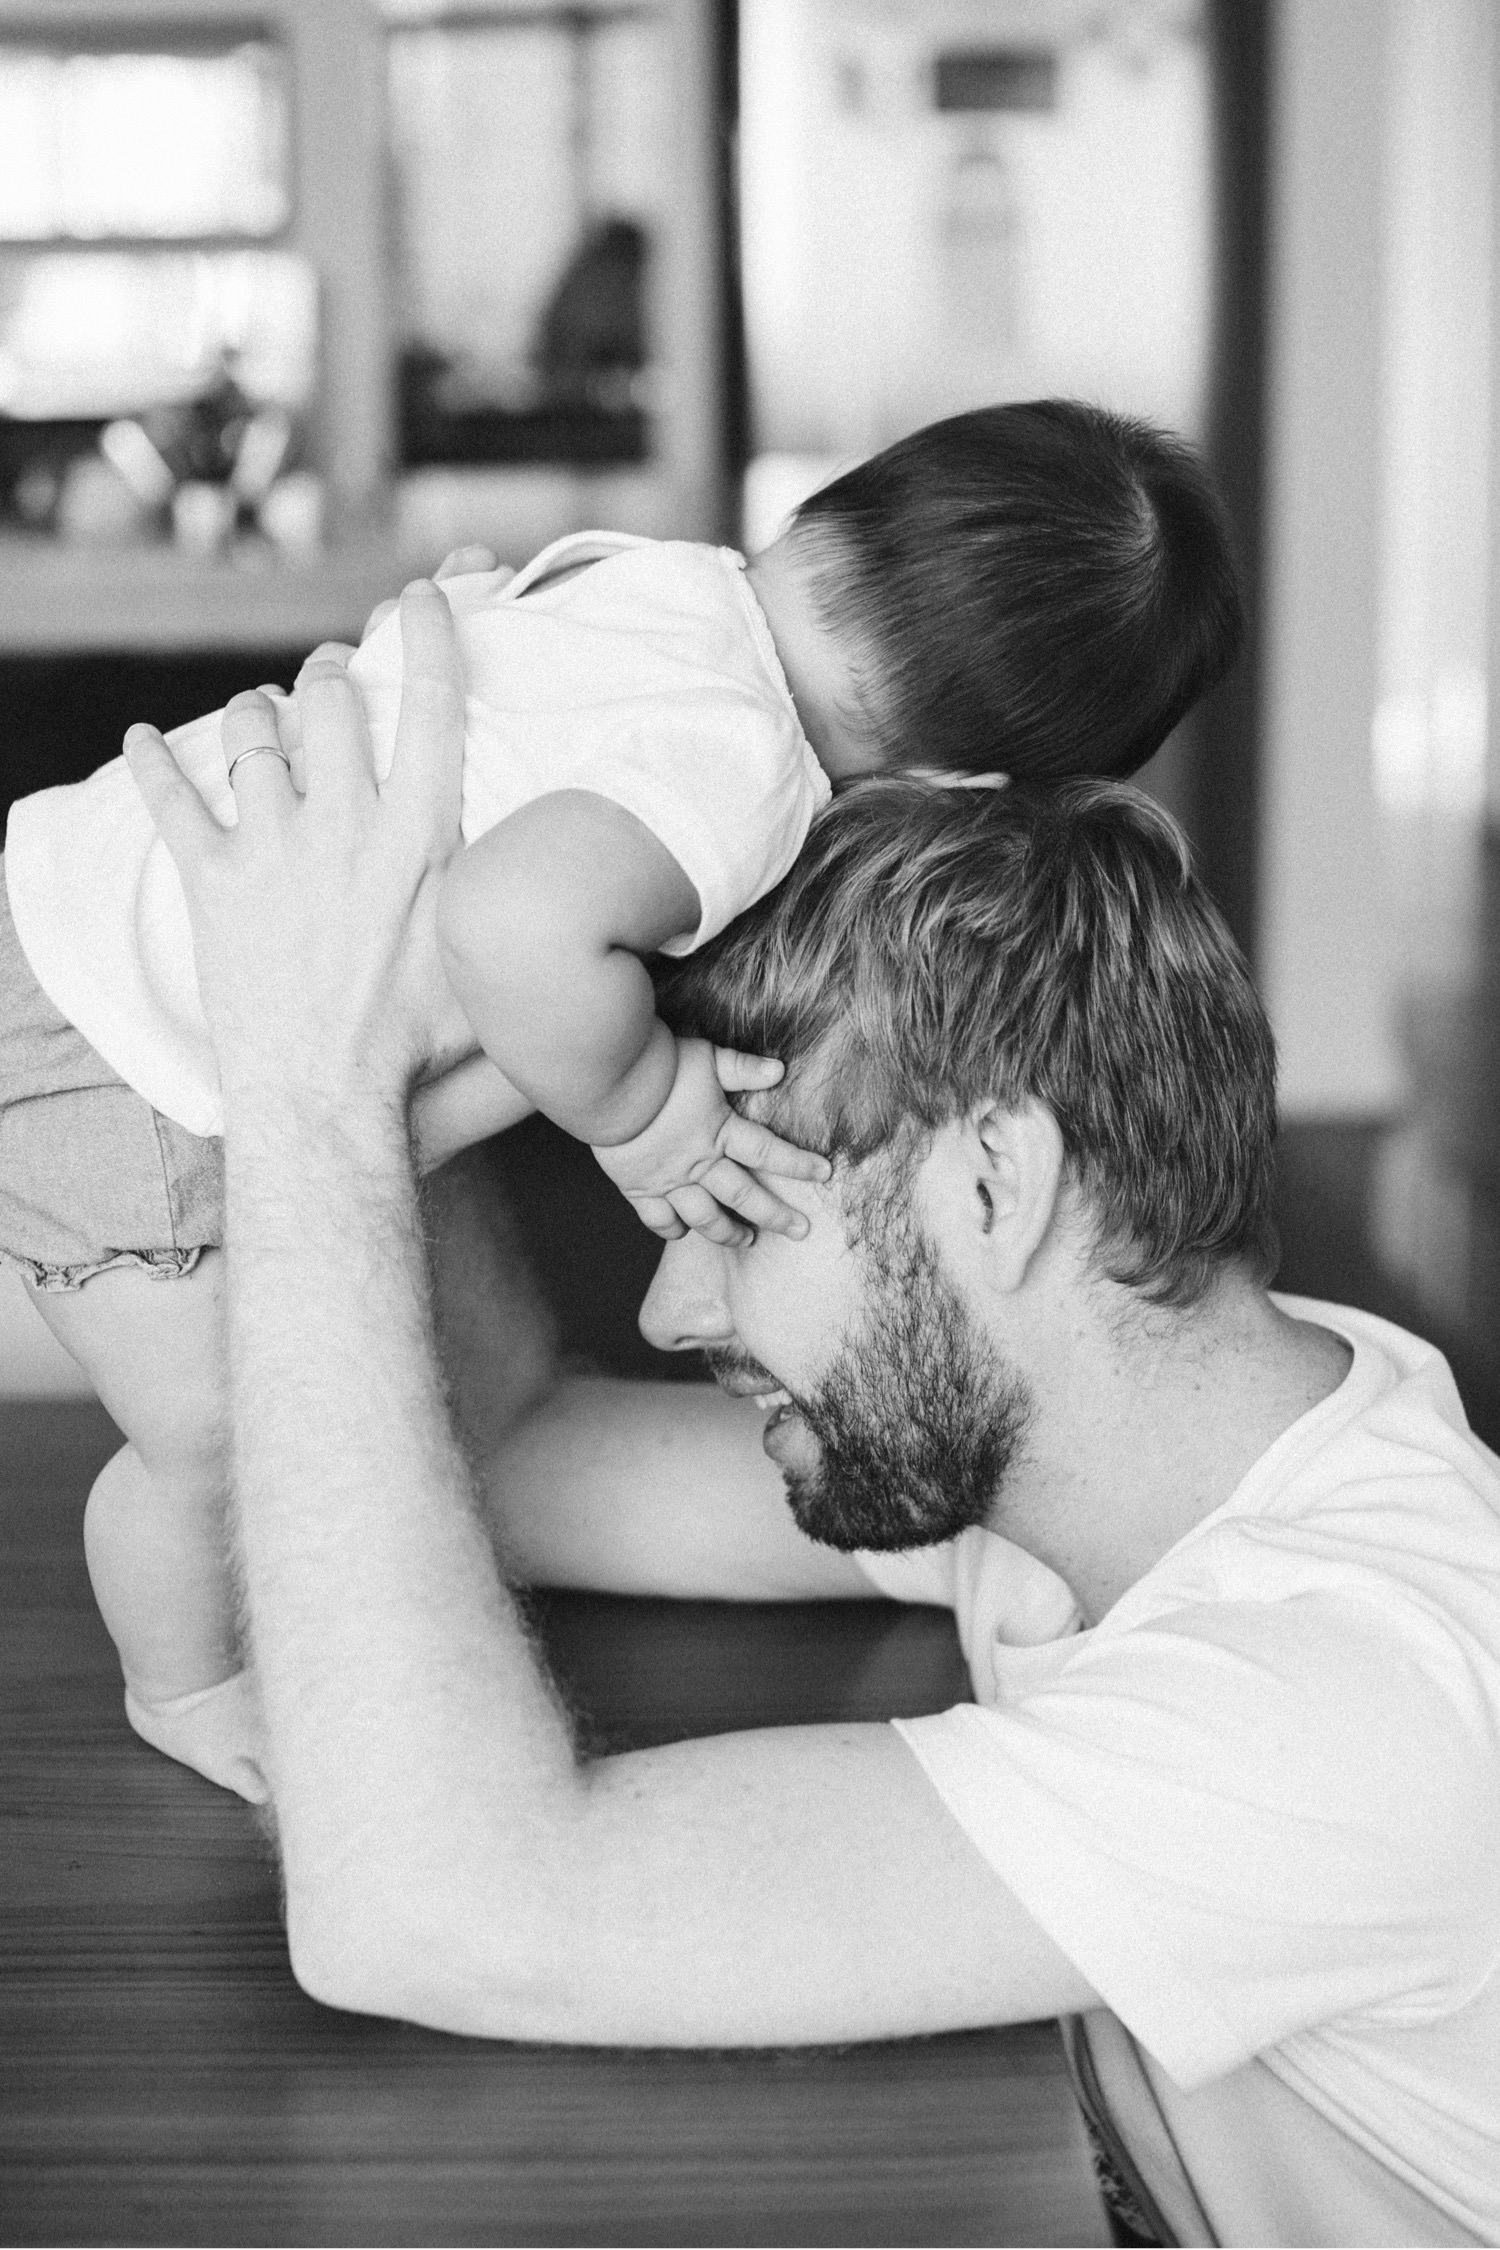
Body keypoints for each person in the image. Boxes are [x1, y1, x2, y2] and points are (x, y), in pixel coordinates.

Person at [121, 589, 1500, 2248]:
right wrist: (429, 1006)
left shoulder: (1350, 1694)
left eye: (743, 1211)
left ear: (995, 1182)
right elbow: (516, 1449)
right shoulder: (1144, 1447)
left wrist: (307, 1093)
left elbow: (433, 1902)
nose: (669, 1309)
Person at [1, 400, 1242, 1791]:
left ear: (839, 512)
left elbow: (460, 617)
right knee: (220, 1432)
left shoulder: (654, 580)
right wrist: (651, 1110)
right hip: (129, 1048)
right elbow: (511, 917)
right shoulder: (747, 773)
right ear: (963, 784)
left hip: (75, 891)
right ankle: (186, 1679)